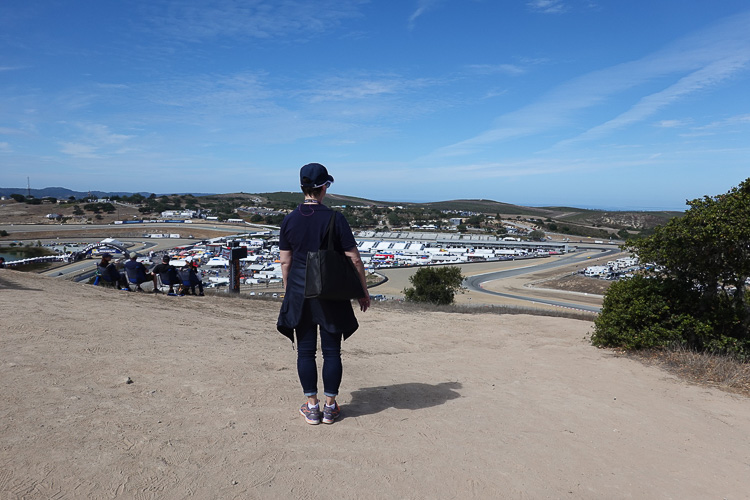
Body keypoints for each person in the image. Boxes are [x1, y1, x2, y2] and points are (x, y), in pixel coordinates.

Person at [277, 163, 370, 425]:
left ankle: (311, 406)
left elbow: (286, 261)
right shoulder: (335, 218)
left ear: (303, 188)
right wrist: (362, 291)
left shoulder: (290, 219)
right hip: (331, 291)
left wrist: (289, 292)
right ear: (323, 187)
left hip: (299, 292)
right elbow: (354, 259)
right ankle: (330, 407)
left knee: (305, 353)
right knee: (332, 352)